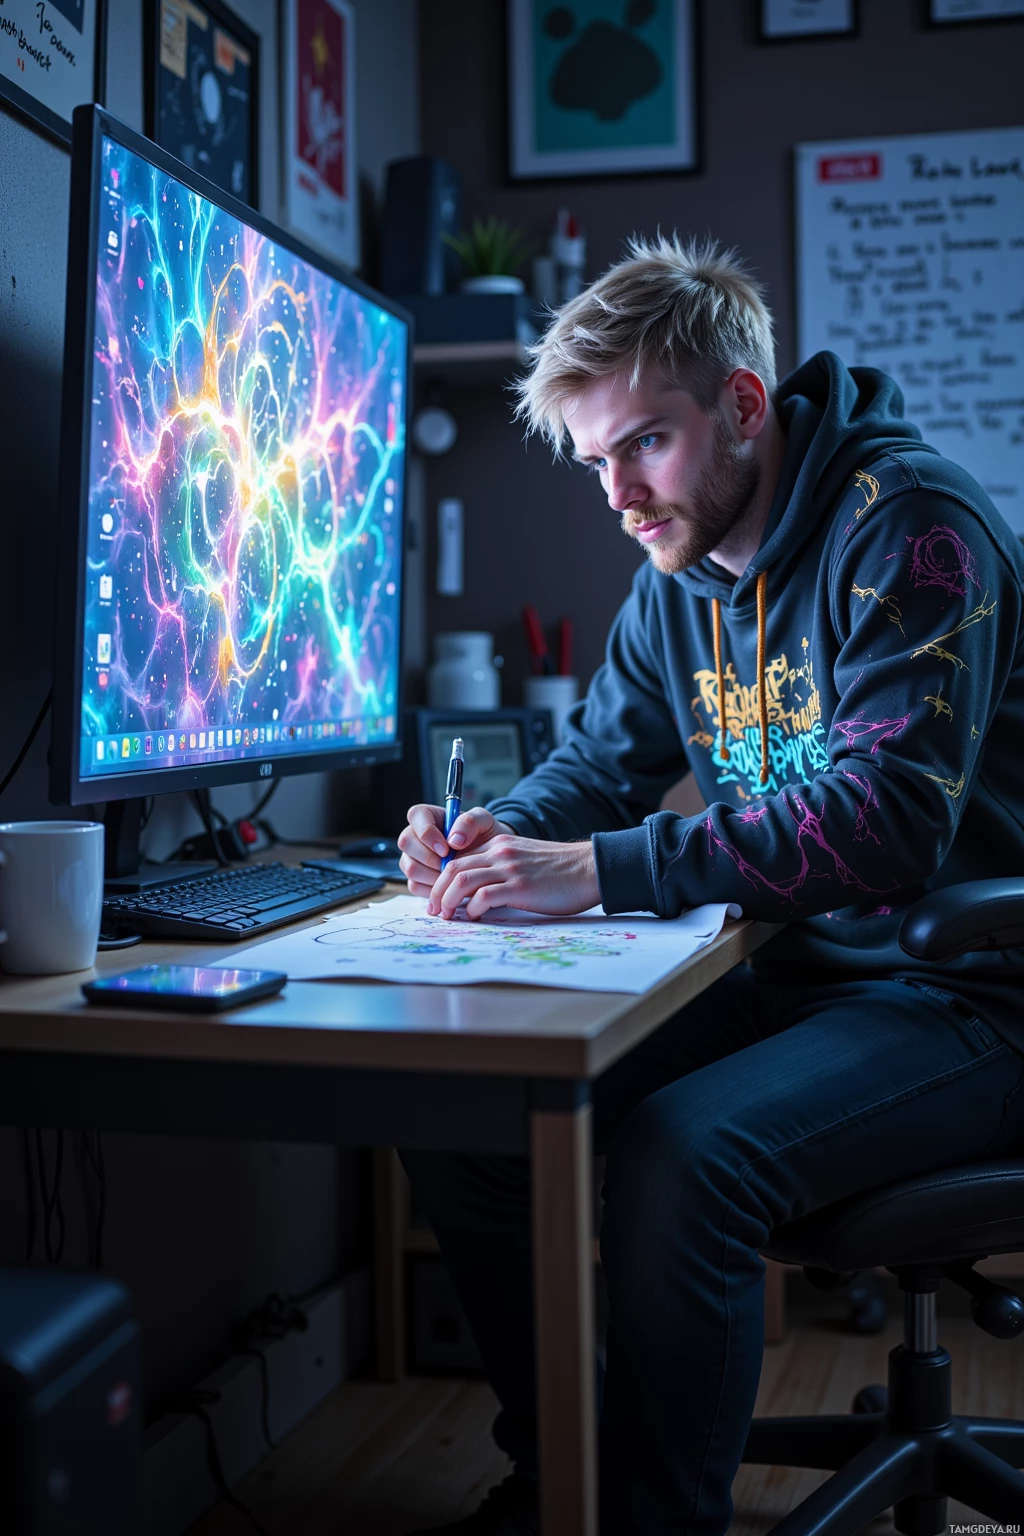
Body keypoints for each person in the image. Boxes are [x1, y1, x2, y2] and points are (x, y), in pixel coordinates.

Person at [396, 236, 1024, 1536]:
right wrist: (494, 836)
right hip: (807, 979)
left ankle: (653, 1521)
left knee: (690, 1157)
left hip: (973, 994)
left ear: (743, 403)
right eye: (595, 463)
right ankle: (564, 1474)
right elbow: (596, 770)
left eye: (646, 445)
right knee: (466, 1112)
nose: (619, 493)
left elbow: (890, 823)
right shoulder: (672, 587)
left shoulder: (917, 535)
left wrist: (601, 876)